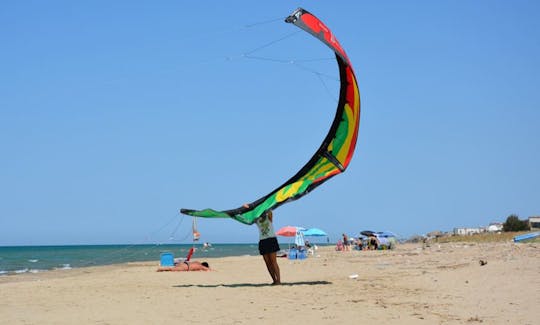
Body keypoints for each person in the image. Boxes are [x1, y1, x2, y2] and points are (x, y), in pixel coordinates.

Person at [254, 209, 281, 285]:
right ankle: (274, 280)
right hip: (263, 241)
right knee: (267, 263)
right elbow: (248, 216)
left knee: (273, 262)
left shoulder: (268, 216)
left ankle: (278, 280)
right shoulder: (256, 219)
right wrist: (246, 207)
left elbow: (269, 209)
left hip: (271, 240)